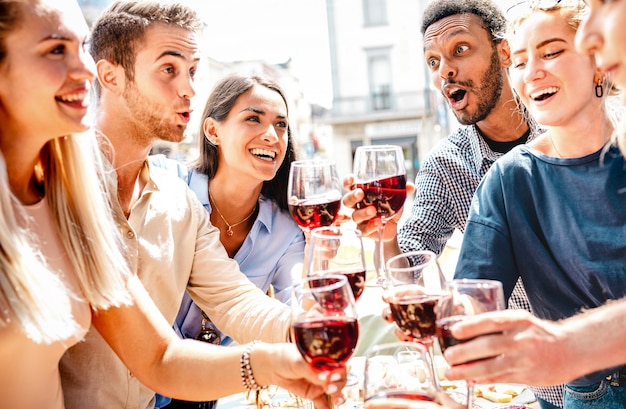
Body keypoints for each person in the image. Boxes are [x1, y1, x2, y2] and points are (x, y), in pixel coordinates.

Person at [0, 1, 345, 409]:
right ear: (111, 75)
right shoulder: (62, 193)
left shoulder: (156, 201)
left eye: (193, 71)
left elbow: (179, 341)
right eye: (169, 69)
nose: (190, 90)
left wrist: (307, 333)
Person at [342, 0, 564, 406]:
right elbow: (406, 271)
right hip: (543, 387)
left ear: (503, 53)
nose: (444, 71)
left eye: (460, 50)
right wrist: (385, 235)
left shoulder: (563, 122)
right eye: (433, 61)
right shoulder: (447, 165)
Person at [450, 0, 626, 407]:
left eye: (551, 52)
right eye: (521, 61)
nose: (532, 73)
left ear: (598, 61)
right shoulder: (511, 180)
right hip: (588, 396)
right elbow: (471, 300)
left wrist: (569, 344)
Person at [154, 74, 305, 409]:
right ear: (213, 131)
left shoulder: (286, 231)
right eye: (253, 118)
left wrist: (325, 251)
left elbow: (298, 306)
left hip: (205, 390)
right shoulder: (164, 183)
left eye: (281, 125)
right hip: (135, 385)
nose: (272, 135)